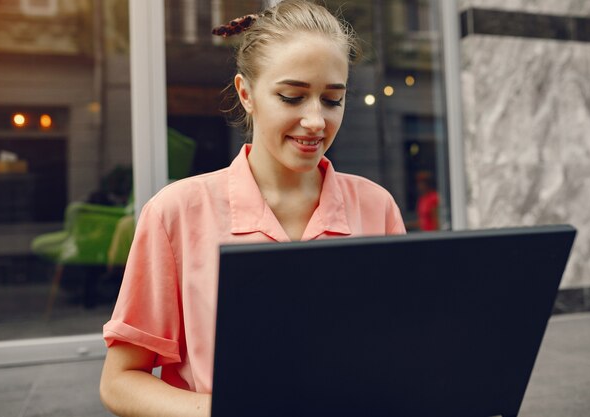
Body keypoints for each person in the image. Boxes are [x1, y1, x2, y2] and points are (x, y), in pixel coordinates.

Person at [99, 1, 405, 416]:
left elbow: (396, 353)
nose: (316, 120)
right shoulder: (176, 213)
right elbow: (120, 382)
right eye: (293, 97)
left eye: (332, 100)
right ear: (246, 93)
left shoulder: (376, 206)